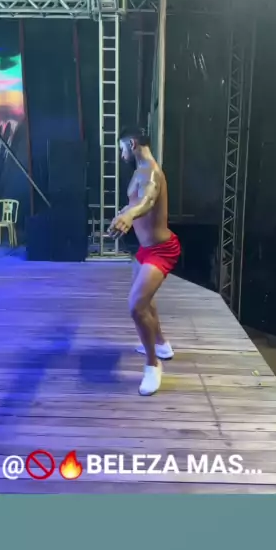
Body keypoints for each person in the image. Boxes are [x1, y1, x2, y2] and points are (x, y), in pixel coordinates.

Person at [108, 126, 181, 396]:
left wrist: (130, 214)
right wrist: (123, 212)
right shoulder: (139, 170)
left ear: (132, 144)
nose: (121, 155)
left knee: (136, 306)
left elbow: (148, 200)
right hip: (146, 250)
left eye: (122, 148)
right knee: (145, 301)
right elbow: (137, 201)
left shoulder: (151, 171)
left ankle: (153, 365)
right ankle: (161, 344)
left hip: (162, 250)